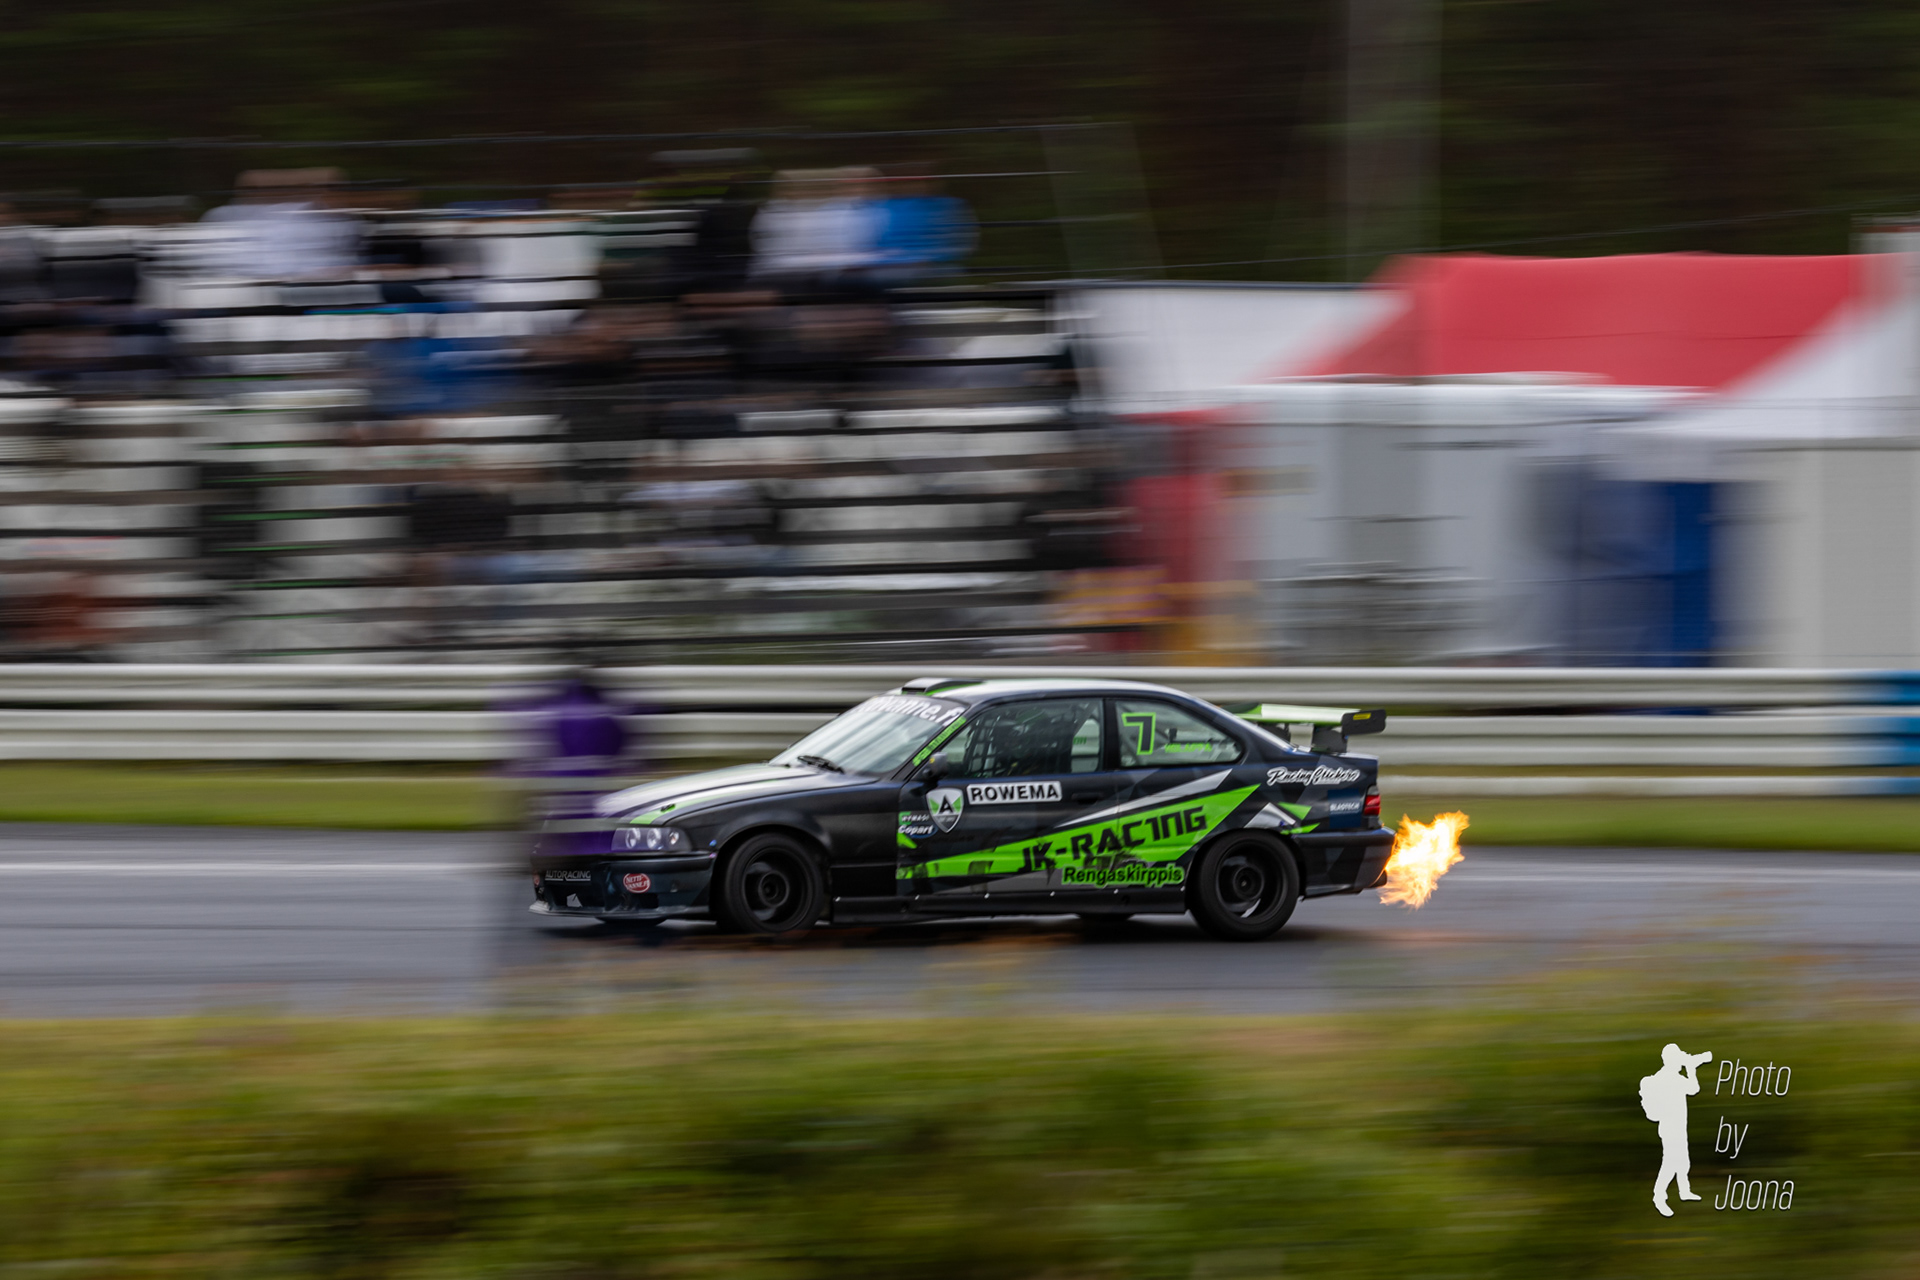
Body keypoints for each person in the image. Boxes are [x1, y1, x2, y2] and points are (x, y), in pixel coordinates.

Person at [1640, 1043, 1713, 1216]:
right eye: (1679, 1058)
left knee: (1683, 1161)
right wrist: (1691, 1069)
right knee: (1671, 1162)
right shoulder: (1673, 1079)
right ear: (1672, 1060)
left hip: (1676, 1126)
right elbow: (1694, 1089)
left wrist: (1690, 1065)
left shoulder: (1666, 1076)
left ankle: (1684, 1191)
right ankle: (1659, 1197)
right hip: (1671, 1128)